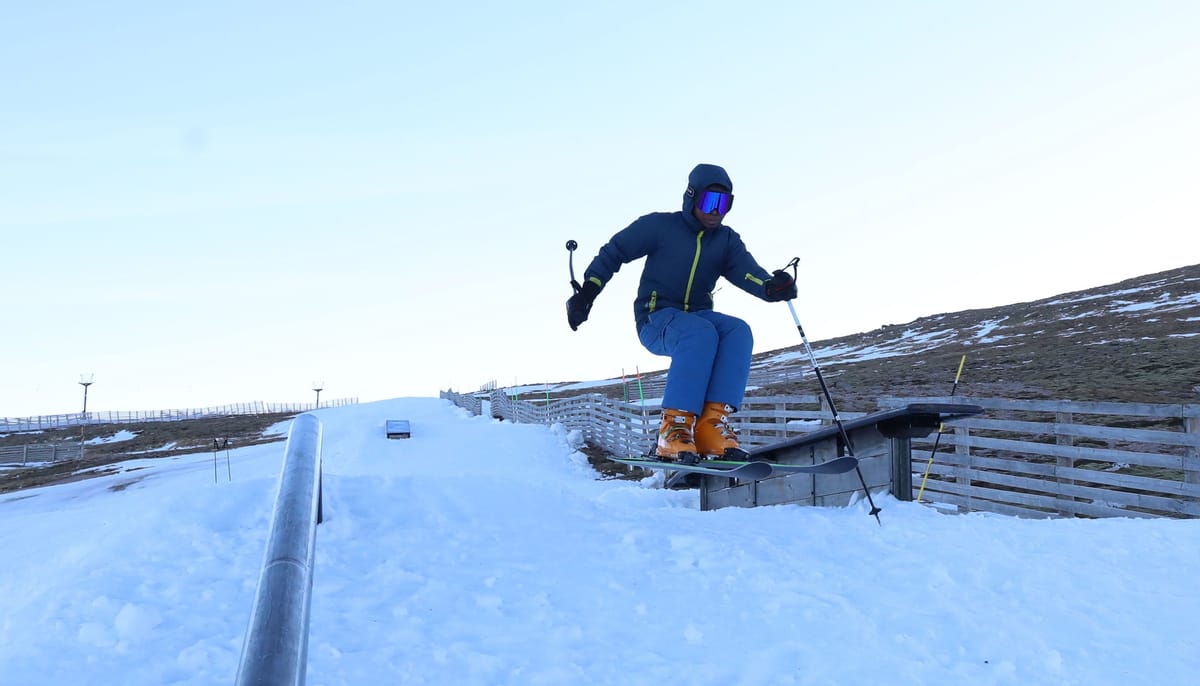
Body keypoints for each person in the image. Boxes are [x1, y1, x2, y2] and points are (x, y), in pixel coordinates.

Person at [566, 163, 797, 463]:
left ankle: (709, 426)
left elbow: (748, 273)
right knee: (699, 333)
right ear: (691, 198)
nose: (716, 211)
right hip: (656, 317)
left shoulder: (726, 241)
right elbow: (616, 250)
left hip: (698, 319)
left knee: (738, 331)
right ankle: (672, 429)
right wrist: (588, 292)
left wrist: (771, 288)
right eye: (709, 202)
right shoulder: (661, 227)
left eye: (724, 204)